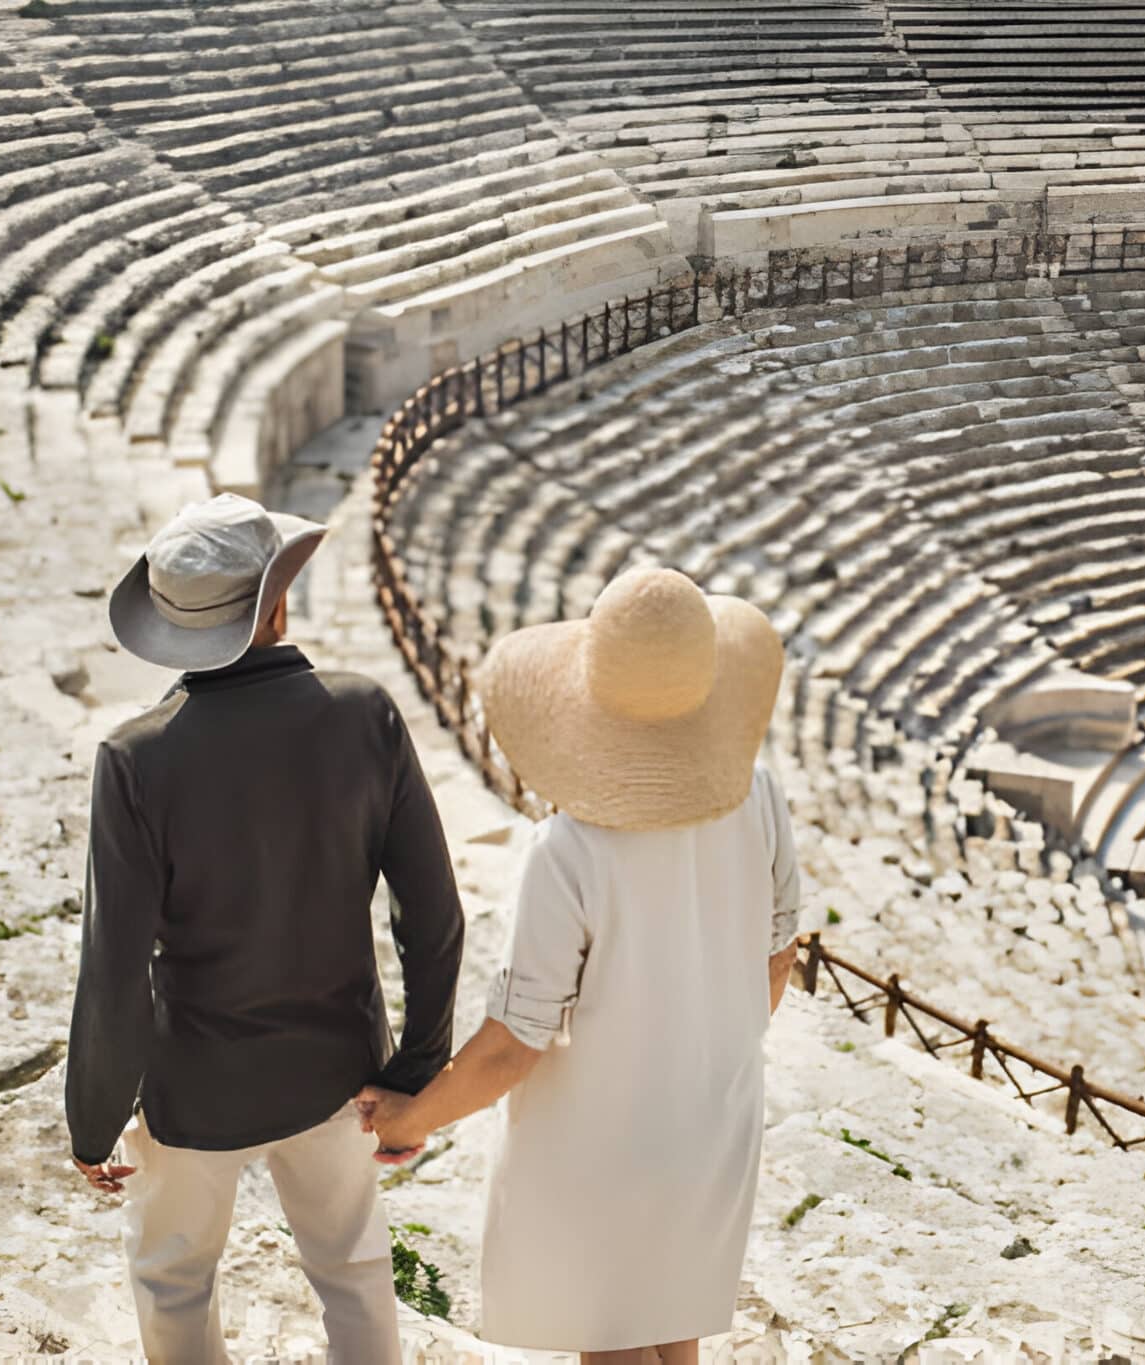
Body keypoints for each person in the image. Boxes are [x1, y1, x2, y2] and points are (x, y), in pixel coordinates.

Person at [358, 566, 801, 1365]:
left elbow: (511, 1044)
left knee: (614, 1345)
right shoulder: (758, 792)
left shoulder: (571, 850)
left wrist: (406, 1120)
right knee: (673, 1334)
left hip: (603, 1140)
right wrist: (706, 1057)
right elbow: (778, 955)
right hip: (714, 1114)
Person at [64, 493, 464, 1365]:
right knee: (355, 1270)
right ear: (274, 605)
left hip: (193, 1084)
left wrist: (92, 1118)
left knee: (174, 1279)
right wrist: (416, 1076)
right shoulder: (365, 712)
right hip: (339, 1072)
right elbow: (432, 917)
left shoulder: (136, 758)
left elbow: (115, 968)